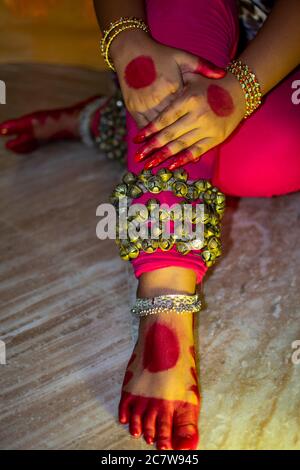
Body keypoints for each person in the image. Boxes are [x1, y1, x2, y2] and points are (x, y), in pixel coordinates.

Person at [1, 0, 299, 451]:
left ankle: (114, 122)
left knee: (265, 155)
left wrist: (237, 93)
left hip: (276, 67)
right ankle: (165, 302)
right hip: (179, 39)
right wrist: (125, 41)